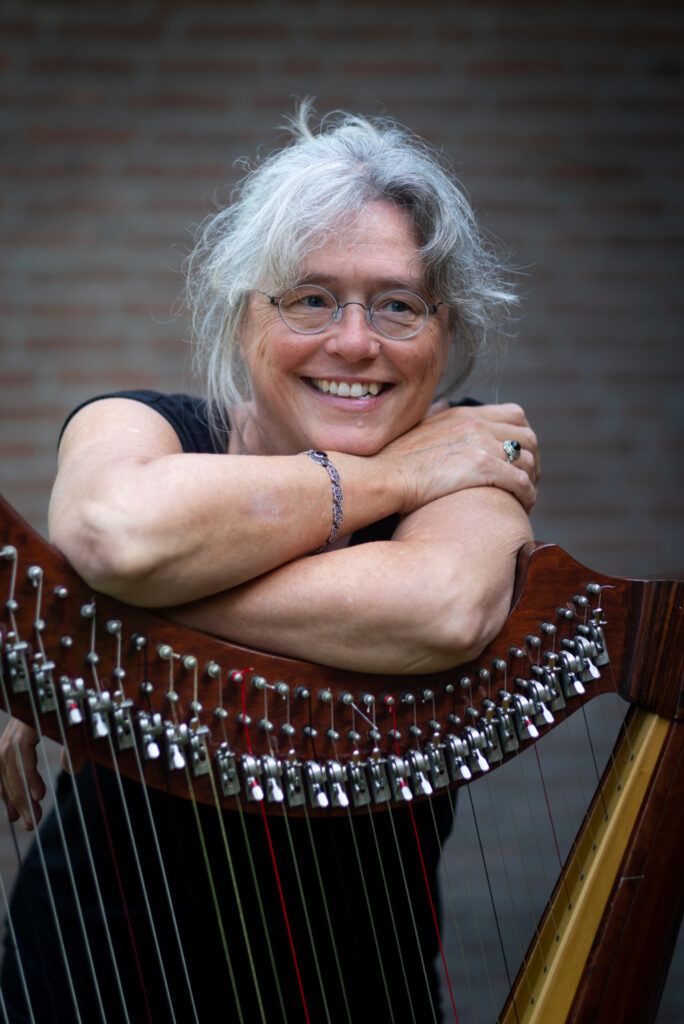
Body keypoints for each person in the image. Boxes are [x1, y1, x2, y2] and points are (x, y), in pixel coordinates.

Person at [0, 105, 539, 1023]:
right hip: (91, 981)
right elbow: (118, 535)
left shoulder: (472, 455)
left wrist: (86, 618)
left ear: (445, 332)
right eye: (310, 297)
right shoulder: (141, 427)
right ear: (244, 313)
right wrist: (396, 471)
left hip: (358, 995)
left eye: (398, 304)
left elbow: (441, 606)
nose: (356, 341)